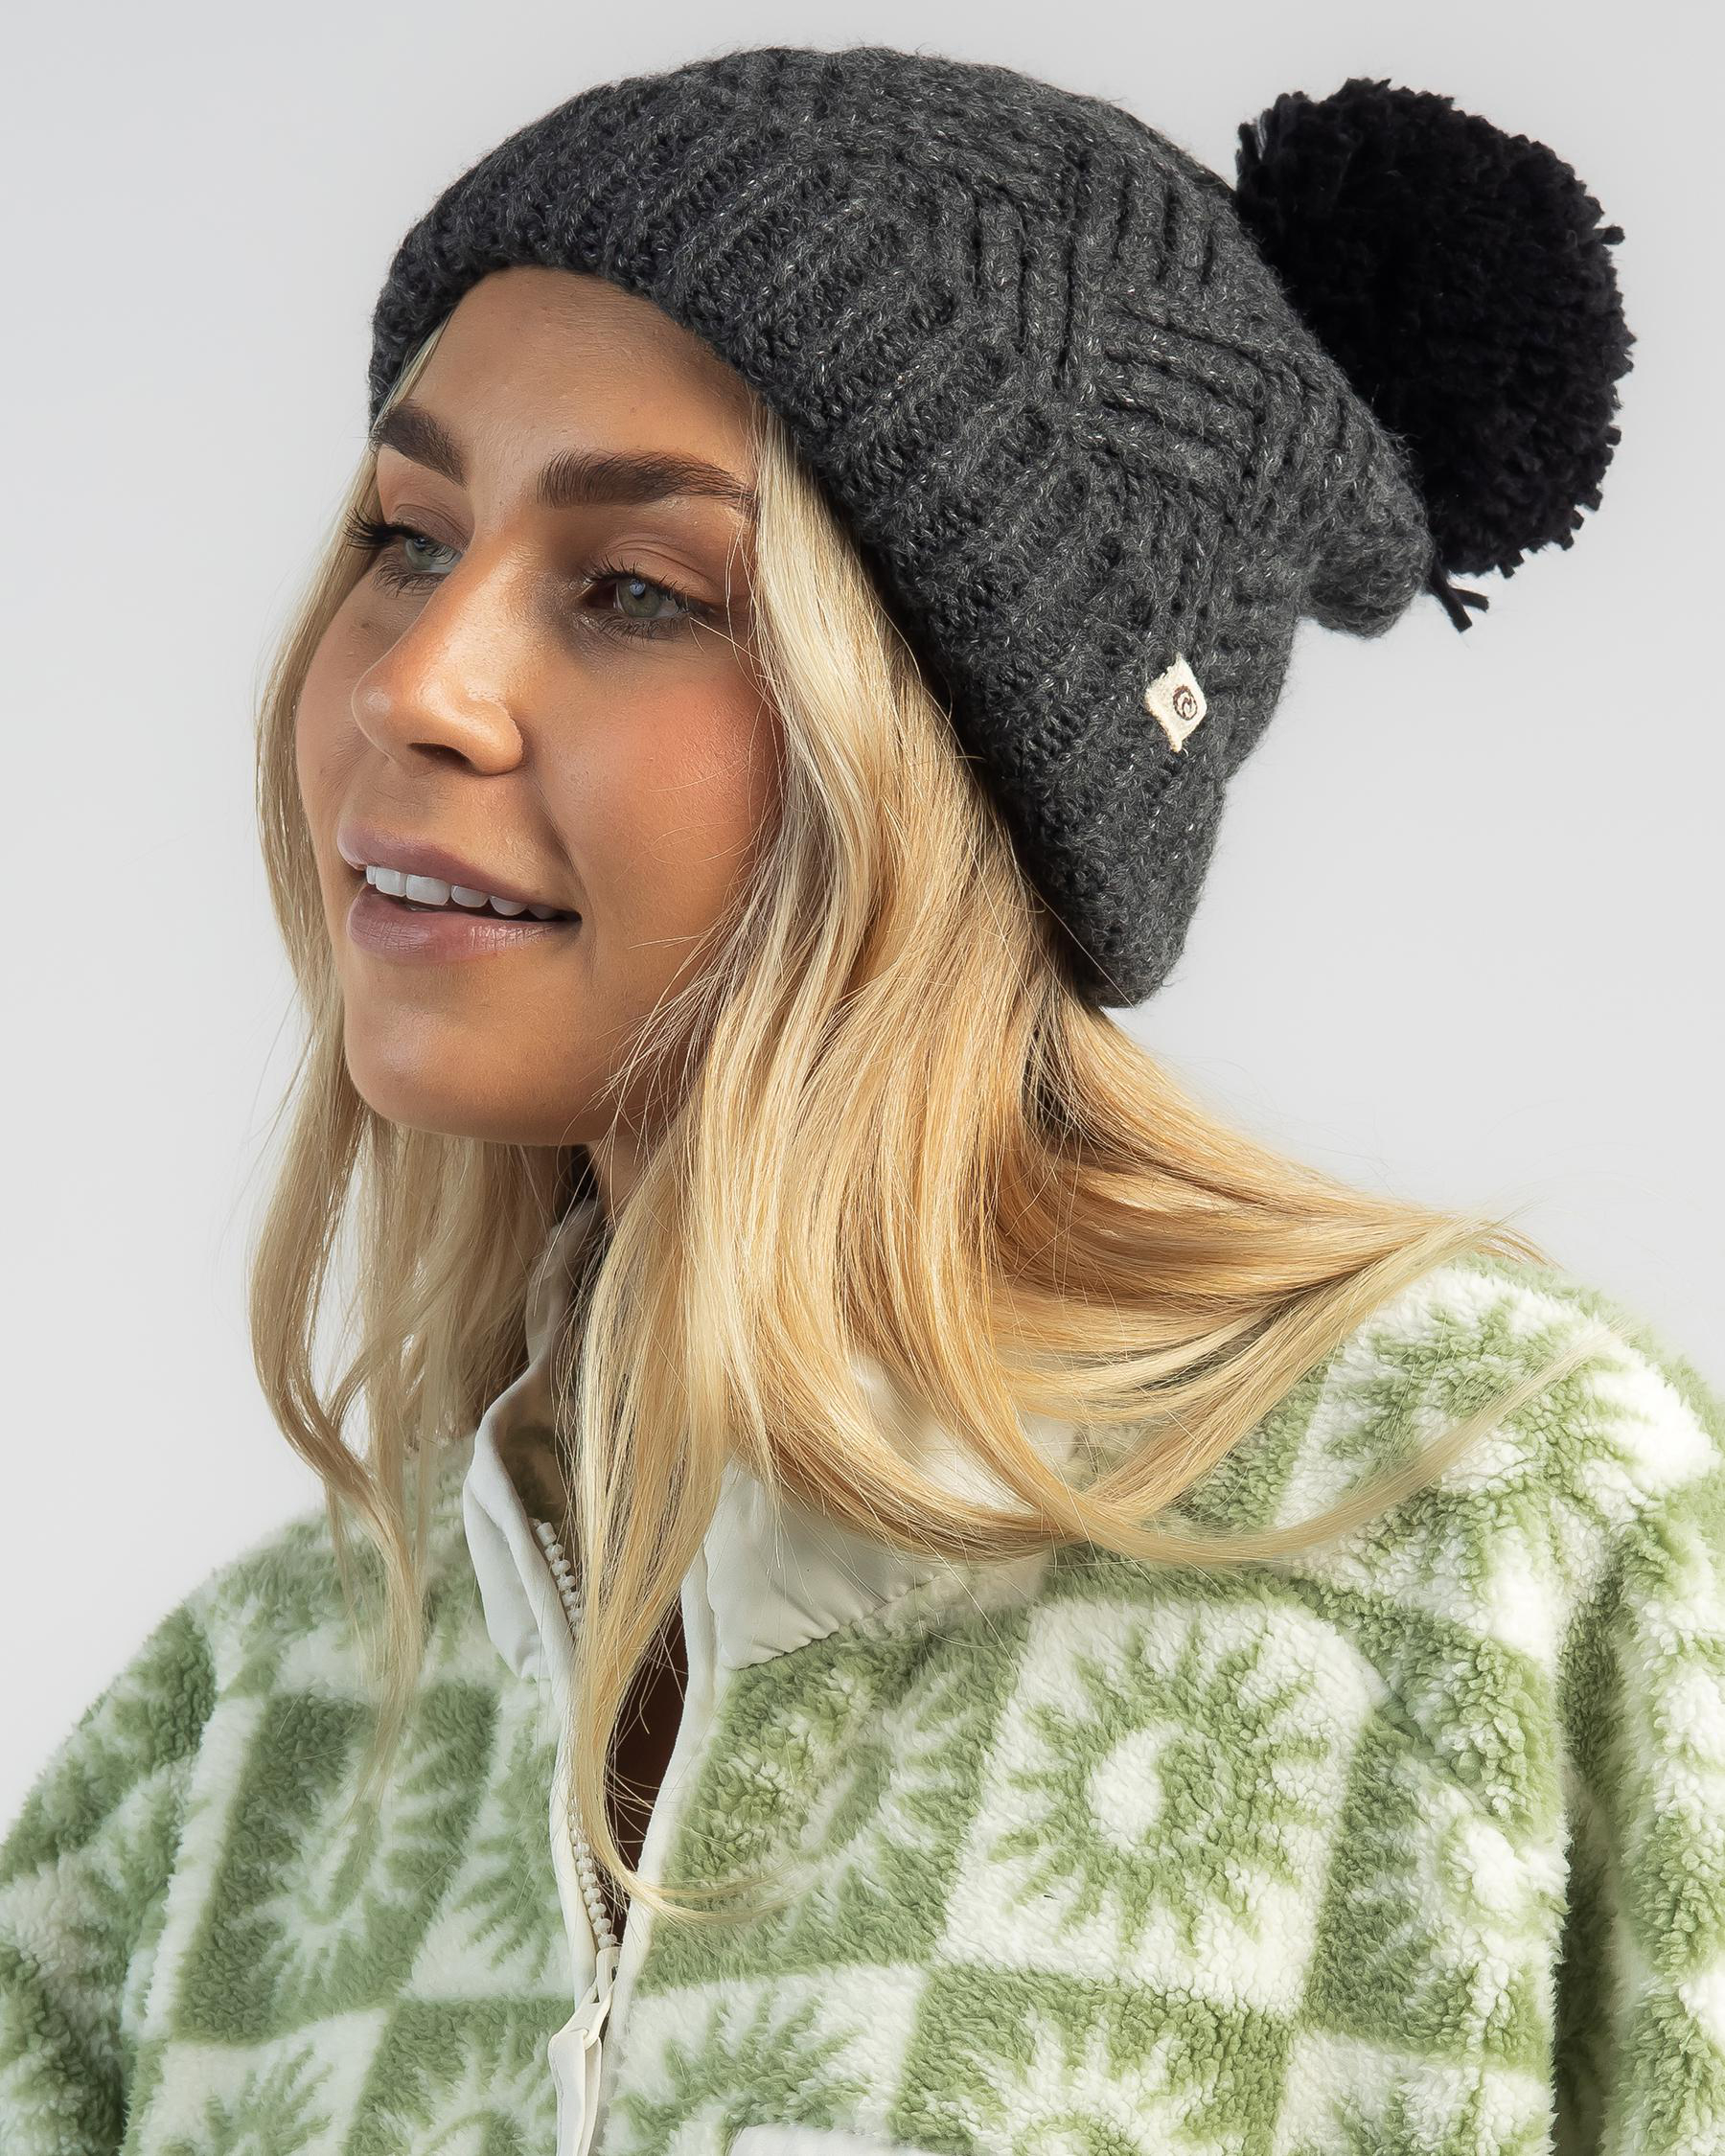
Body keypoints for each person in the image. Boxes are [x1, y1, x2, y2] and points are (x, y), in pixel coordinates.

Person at [4, 41, 1717, 2156]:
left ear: (956, 759)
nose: (410, 684)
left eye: (640, 591)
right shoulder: (227, 1757)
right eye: (405, 538)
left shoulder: (1497, 1537)